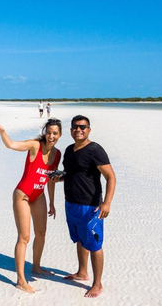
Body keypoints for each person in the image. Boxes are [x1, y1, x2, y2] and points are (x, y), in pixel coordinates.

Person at [0, 117, 62, 293]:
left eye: (55, 133)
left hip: (39, 196)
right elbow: (11, 145)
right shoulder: (34, 146)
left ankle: (36, 267)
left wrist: (52, 202)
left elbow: (51, 179)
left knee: (41, 233)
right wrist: (2, 132)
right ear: (45, 132)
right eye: (49, 132)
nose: (51, 136)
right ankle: (21, 280)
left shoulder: (57, 154)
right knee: (24, 237)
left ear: (59, 135)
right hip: (22, 195)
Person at [51, 115, 116, 298]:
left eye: (82, 127)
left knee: (94, 244)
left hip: (90, 206)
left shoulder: (95, 150)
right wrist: (59, 178)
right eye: (75, 127)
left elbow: (111, 177)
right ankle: (82, 272)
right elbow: (72, 174)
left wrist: (107, 203)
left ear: (89, 129)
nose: (78, 130)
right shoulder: (69, 150)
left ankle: (97, 284)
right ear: (71, 130)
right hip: (70, 203)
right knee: (79, 238)